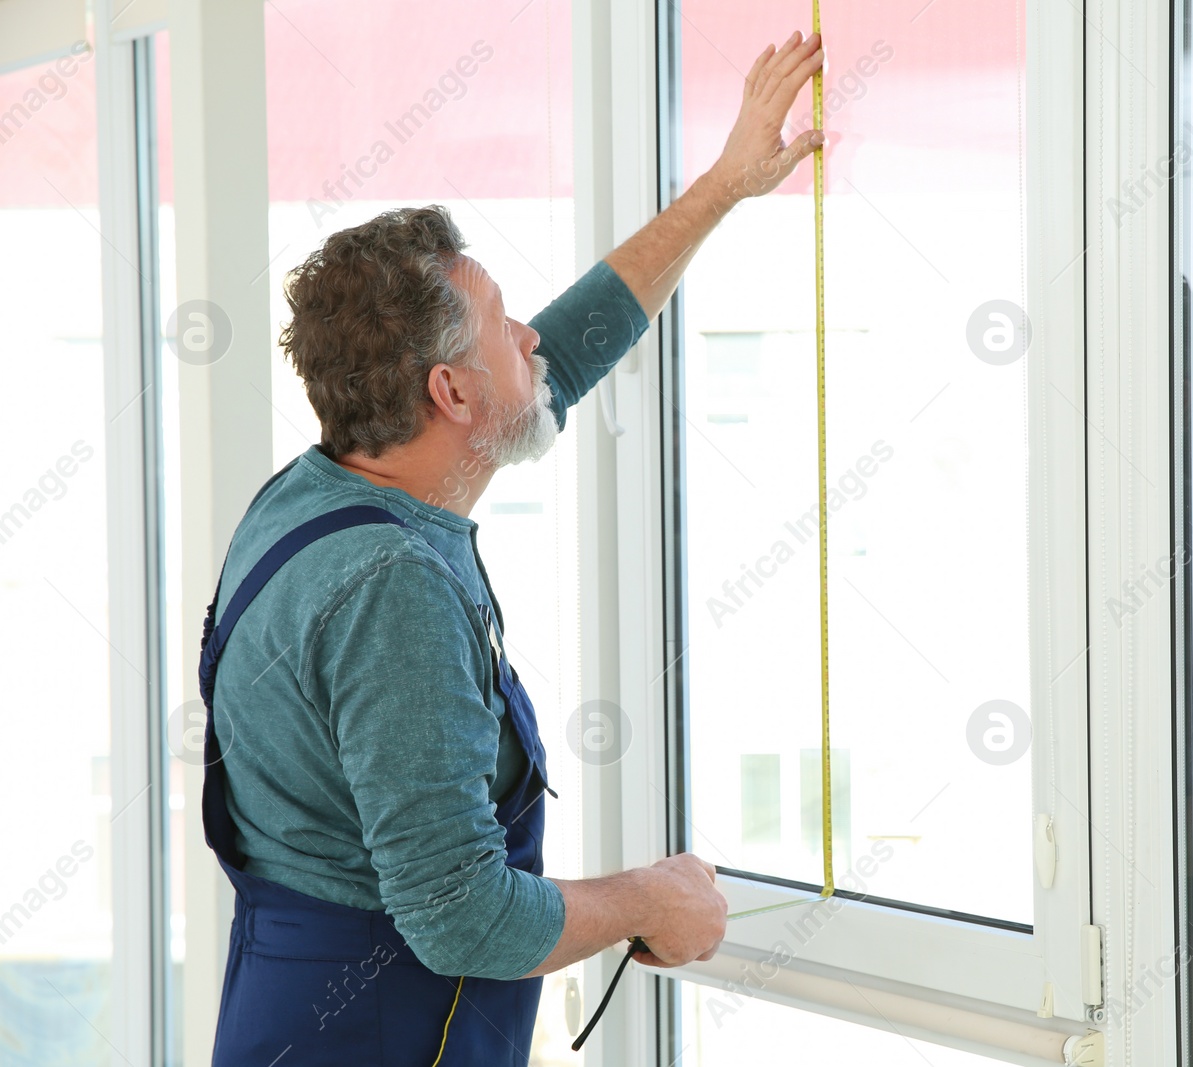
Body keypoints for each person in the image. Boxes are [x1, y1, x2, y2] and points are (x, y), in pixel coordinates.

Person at [197, 31, 825, 1065]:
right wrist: (649, 899)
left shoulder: (312, 492)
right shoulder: (391, 589)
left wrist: (723, 186)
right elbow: (462, 916)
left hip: (290, 1001)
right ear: (449, 393)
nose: (531, 335)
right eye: (502, 323)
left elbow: (560, 357)